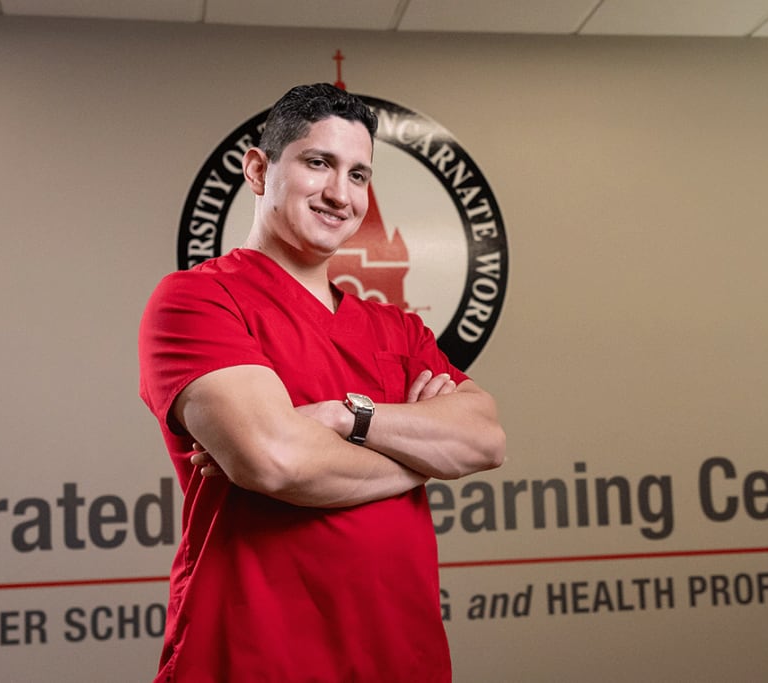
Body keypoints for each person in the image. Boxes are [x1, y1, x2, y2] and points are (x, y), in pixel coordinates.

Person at [138, 83, 506, 683]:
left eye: (359, 175)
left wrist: (343, 417)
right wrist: (421, 458)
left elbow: (485, 440)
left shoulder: (399, 327)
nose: (341, 193)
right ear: (259, 169)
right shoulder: (198, 301)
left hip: (400, 658)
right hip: (253, 656)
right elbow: (275, 460)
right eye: (318, 163)